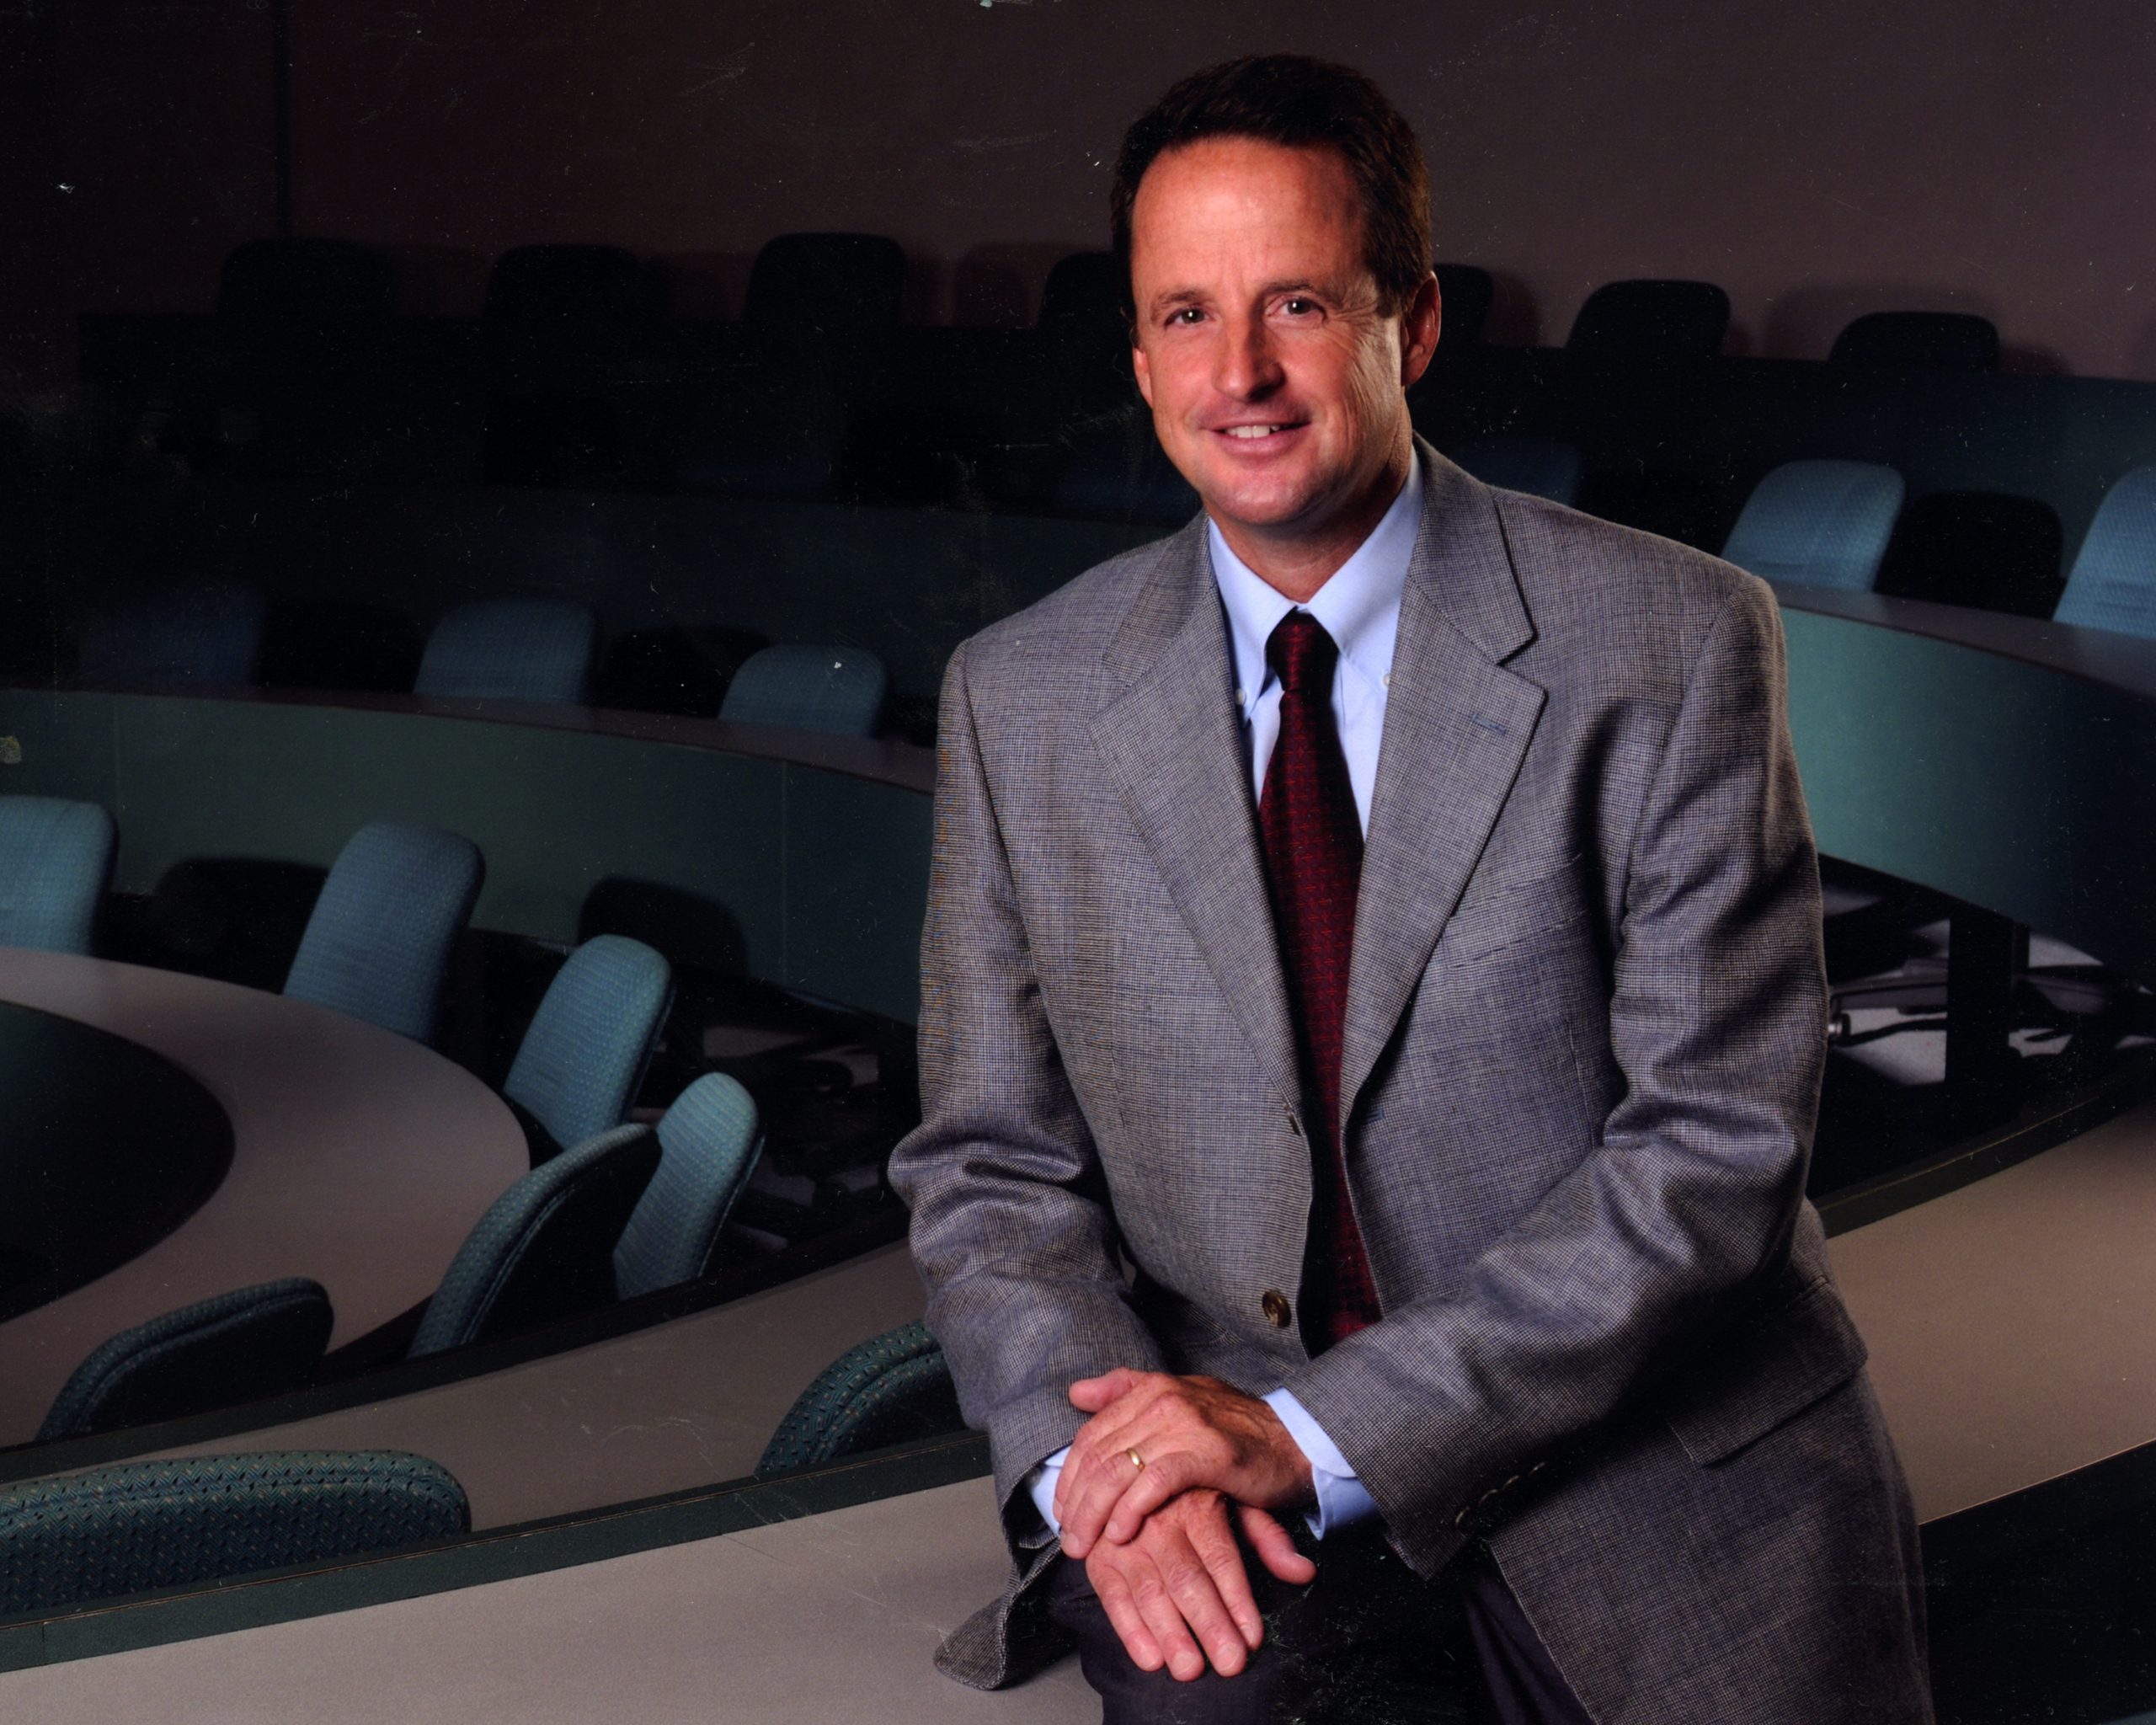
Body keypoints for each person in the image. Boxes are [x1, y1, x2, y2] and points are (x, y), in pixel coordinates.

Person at [889, 52, 1932, 1725]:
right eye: (1180, 316)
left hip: (1650, 1462)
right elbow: (989, 1163)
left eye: (1294, 303)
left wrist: (1317, 1432)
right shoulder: (1018, 697)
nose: (1236, 373)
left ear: (1413, 324)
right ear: (1135, 353)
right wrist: (1100, 1475)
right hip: (1239, 1492)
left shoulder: (1663, 642)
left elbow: (1715, 1151)